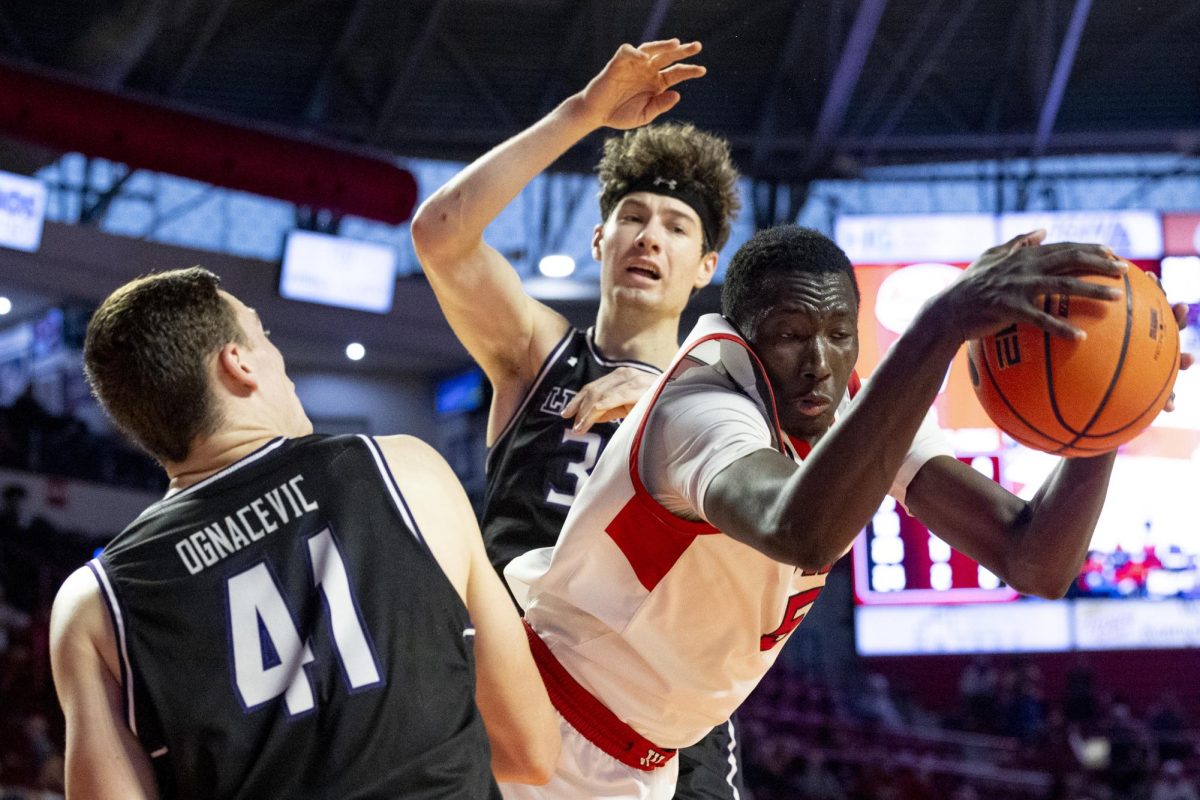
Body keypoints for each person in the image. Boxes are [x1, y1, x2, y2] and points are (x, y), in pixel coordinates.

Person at [503, 225, 1192, 799]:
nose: (820, 364)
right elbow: (798, 528)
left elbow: (1034, 559)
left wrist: (1109, 421)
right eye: (790, 335)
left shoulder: (854, 413)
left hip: (645, 758)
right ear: (740, 339)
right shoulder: (701, 411)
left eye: (839, 332)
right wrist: (945, 321)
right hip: (545, 729)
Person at [49, 268, 558, 799]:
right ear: (238, 363)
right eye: (263, 336)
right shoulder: (406, 471)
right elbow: (531, 748)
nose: (280, 361)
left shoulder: (93, 604)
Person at [411, 39, 746, 798]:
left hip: (659, 713)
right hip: (513, 686)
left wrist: (660, 411)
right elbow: (439, 236)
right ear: (600, 240)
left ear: (704, 267)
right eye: (632, 217)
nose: (650, 236)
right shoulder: (536, 356)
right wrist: (583, 113)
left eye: (676, 226)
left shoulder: (721, 403)